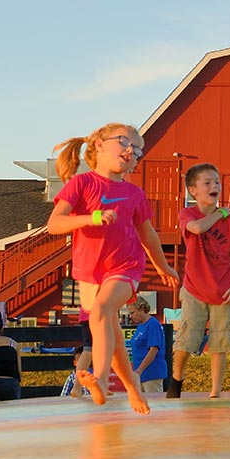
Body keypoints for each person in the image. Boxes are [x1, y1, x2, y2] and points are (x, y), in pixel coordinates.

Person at [45, 122, 179, 414]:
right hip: (90, 271)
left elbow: (149, 236)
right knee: (114, 336)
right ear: (99, 145)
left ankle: (102, 381)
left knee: (103, 310)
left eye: (138, 150)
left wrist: (163, 266)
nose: (132, 151)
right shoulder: (81, 184)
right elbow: (54, 224)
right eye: (125, 142)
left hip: (126, 267)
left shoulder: (134, 194)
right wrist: (90, 218)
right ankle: (132, 388)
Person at [168, 162, 230, 398]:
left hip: (223, 290)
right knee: (188, 337)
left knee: (220, 342)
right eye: (208, 182)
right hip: (195, 288)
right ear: (193, 190)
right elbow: (196, 229)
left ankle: (215, 390)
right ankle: (177, 378)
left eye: (217, 182)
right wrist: (220, 213)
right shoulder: (188, 214)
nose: (214, 186)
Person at [126, 299, 167, 393]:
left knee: (155, 404)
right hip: (140, 375)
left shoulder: (152, 324)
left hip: (151, 373)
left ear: (142, 309)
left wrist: (139, 370)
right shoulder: (141, 326)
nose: (131, 316)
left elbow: (153, 350)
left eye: (133, 313)